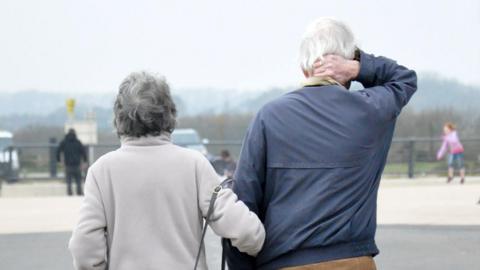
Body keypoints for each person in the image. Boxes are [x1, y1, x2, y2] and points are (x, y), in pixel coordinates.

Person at [223, 18, 417, 270]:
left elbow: (244, 204)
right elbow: (404, 79)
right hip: (353, 260)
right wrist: (358, 66)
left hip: (283, 262)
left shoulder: (269, 116)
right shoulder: (371, 110)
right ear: (347, 63)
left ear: (304, 68)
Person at [68, 71, 265, 270]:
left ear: (118, 117)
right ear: (169, 113)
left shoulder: (102, 171)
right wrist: (260, 243)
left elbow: (84, 247)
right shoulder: (194, 164)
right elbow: (246, 231)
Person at [57, 129, 87, 196]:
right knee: (78, 180)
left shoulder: (64, 142)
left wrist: (59, 160)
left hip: (68, 165)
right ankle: (79, 192)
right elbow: (83, 152)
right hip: (77, 164)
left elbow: (58, 151)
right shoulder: (78, 142)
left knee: (68, 180)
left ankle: (69, 193)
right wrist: (85, 161)